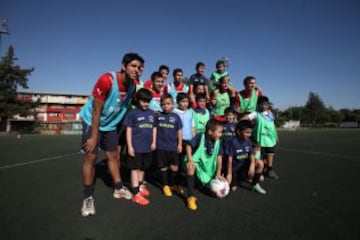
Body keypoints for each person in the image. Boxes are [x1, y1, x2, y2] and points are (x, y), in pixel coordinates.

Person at [79, 52, 144, 217]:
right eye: (133, 66)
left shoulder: (133, 85)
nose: (137, 70)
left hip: (110, 125)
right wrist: (94, 136)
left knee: (113, 156)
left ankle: (118, 188)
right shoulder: (107, 80)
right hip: (92, 121)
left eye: (140, 68)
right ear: (124, 66)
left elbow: (126, 105)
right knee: (91, 157)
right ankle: (88, 197)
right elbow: (96, 110)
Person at [123, 88, 157, 206]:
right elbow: (128, 130)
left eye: (148, 101)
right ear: (137, 100)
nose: (145, 104)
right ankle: (136, 193)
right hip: (135, 147)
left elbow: (154, 128)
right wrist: (130, 146)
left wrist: (153, 142)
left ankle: (141, 186)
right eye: (143, 101)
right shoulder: (133, 113)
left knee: (143, 168)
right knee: (134, 169)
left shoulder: (152, 113)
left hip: (147, 147)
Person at [183, 119, 225, 211]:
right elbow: (188, 146)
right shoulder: (200, 136)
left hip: (207, 167)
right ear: (210, 131)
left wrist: (218, 173)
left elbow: (219, 158)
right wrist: (190, 160)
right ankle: (190, 197)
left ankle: (199, 183)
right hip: (195, 163)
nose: (221, 134)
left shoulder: (218, 141)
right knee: (191, 168)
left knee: (209, 187)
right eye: (219, 132)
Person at [241, 96, 279, 179]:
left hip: (270, 139)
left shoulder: (271, 114)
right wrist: (238, 122)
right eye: (262, 104)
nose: (264, 106)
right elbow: (246, 118)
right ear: (258, 105)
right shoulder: (256, 113)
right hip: (259, 140)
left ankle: (269, 170)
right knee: (258, 155)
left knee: (270, 154)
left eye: (266, 104)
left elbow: (273, 125)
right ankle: (255, 171)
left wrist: (276, 135)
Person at [227, 120, 266, 194]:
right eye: (247, 132)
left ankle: (254, 184)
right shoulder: (233, 142)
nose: (249, 135)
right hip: (235, 169)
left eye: (250, 133)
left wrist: (252, 164)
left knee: (260, 163)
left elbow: (251, 154)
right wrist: (229, 173)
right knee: (233, 188)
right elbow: (230, 158)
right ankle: (243, 177)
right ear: (239, 132)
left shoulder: (248, 141)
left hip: (244, 165)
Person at [156, 93, 184, 197]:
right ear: (160, 105)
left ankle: (172, 184)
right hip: (161, 147)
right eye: (163, 104)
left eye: (168, 104)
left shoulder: (176, 117)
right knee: (162, 167)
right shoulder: (158, 116)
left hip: (173, 146)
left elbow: (179, 131)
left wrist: (180, 144)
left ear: (173, 104)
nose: (166, 106)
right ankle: (165, 185)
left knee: (174, 168)